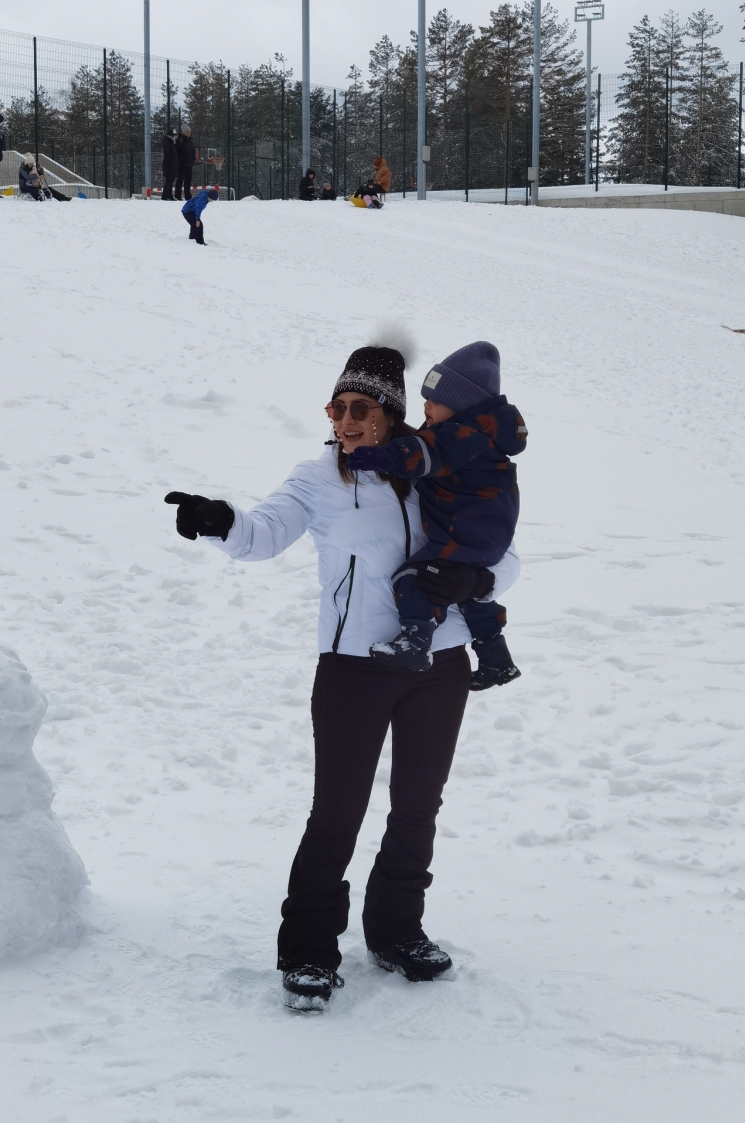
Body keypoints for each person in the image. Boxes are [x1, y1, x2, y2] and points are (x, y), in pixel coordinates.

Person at [163, 338, 519, 1012]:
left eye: (362, 408)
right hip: (355, 668)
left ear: (391, 413)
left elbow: (502, 546)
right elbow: (264, 534)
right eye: (337, 407)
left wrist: (481, 576)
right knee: (337, 813)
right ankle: (307, 951)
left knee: (418, 807)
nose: (347, 421)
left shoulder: (436, 464)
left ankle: (396, 931)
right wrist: (219, 521)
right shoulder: (317, 480)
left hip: (439, 663)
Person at [347, 342, 526, 688]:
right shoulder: (484, 437)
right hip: (486, 538)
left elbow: (422, 452)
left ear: (462, 407)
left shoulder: (460, 437)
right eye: (425, 398)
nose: (426, 406)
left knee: (412, 577)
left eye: (435, 401)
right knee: (469, 593)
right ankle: (496, 659)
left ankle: (415, 642)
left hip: (464, 534)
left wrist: (378, 457)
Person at [175, 126, 196, 200]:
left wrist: (193, 160)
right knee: (180, 180)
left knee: (188, 181)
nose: (188, 133)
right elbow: (177, 151)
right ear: (183, 132)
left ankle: (188, 195)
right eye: (187, 132)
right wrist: (181, 159)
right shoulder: (180, 141)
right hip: (182, 164)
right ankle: (178, 195)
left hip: (189, 164)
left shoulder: (191, 142)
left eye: (189, 132)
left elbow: (193, 152)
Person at [161, 129, 177, 200]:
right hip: (169, 165)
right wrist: (172, 161)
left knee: (170, 180)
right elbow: (167, 154)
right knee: (169, 180)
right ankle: (165, 196)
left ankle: (169, 195)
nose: (176, 136)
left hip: (171, 164)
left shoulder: (171, 143)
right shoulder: (167, 143)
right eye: (174, 135)